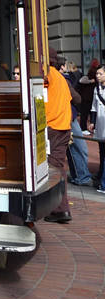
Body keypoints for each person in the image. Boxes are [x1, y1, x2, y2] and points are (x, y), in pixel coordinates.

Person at [44, 48, 73, 223]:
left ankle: (60, 209)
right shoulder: (60, 77)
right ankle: (60, 208)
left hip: (52, 127)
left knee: (53, 169)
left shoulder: (48, 75)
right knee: (58, 167)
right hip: (62, 126)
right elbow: (72, 98)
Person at [63, 62, 93, 186]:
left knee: (73, 148)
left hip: (64, 117)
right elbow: (77, 98)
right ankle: (82, 176)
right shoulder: (63, 79)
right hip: (68, 116)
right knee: (78, 148)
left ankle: (79, 175)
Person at [88, 64, 105, 194]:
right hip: (100, 125)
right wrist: (92, 122)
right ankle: (100, 176)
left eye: (100, 74)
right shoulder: (97, 88)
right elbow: (94, 107)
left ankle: (103, 184)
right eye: (97, 73)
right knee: (102, 153)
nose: (98, 76)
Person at [78, 59, 100, 133]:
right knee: (92, 113)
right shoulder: (95, 72)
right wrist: (91, 81)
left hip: (87, 97)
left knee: (85, 114)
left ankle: (84, 128)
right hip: (90, 97)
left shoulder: (91, 71)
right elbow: (82, 80)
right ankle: (91, 128)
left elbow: (81, 80)